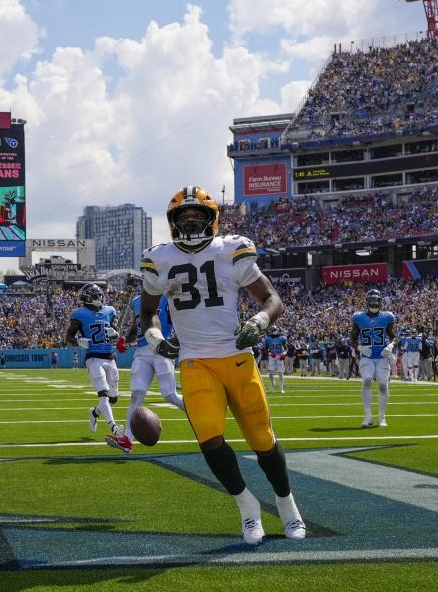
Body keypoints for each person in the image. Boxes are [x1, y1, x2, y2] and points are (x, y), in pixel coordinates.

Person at [139, 186, 305, 546]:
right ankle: (247, 508)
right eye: (184, 218)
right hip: (196, 361)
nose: (191, 222)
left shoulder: (231, 249)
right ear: (173, 223)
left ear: (212, 220)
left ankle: (287, 506)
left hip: (236, 356)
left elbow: (272, 298)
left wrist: (260, 321)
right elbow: (147, 313)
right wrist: (155, 339)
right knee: (210, 439)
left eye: (198, 217)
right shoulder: (159, 258)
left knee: (262, 440)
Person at [65, 283, 127, 452]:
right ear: (87, 297)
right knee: (104, 393)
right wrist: (78, 341)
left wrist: (116, 335)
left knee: (113, 397)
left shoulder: (109, 311)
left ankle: (95, 413)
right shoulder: (79, 314)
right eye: (95, 294)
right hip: (93, 358)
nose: (99, 297)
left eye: (99, 294)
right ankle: (114, 427)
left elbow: (113, 333)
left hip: (110, 356)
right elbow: (68, 336)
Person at [123, 293, 185, 444]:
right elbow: (136, 326)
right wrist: (124, 339)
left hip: (161, 348)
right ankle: (127, 439)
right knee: (137, 393)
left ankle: (199, 414)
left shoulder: (169, 296)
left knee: (170, 395)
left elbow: (181, 320)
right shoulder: (137, 300)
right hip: (142, 351)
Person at [350, 289, 395, 429]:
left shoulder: (387, 317)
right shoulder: (358, 317)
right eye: (372, 300)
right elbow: (352, 339)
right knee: (367, 380)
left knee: (382, 384)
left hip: (382, 356)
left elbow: (394, 336)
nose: (374, 303)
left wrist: (391, 346)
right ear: (367, 302)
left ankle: (382, 417)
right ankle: (367, 417)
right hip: (367, 356)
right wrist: (359, 348)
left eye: (377, 300)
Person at [265, 325, 287, 393]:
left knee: (280, 372)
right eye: (273, 330)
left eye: (274, 330)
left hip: (279, 356)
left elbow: (286, 348)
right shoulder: (268, 338)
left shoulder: (282, 338)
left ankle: (281, 388)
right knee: (270, 373)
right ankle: (272, 383)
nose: (273, 332)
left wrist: (284, 354)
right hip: (272, 356)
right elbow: (265, 349)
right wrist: (270, 354)